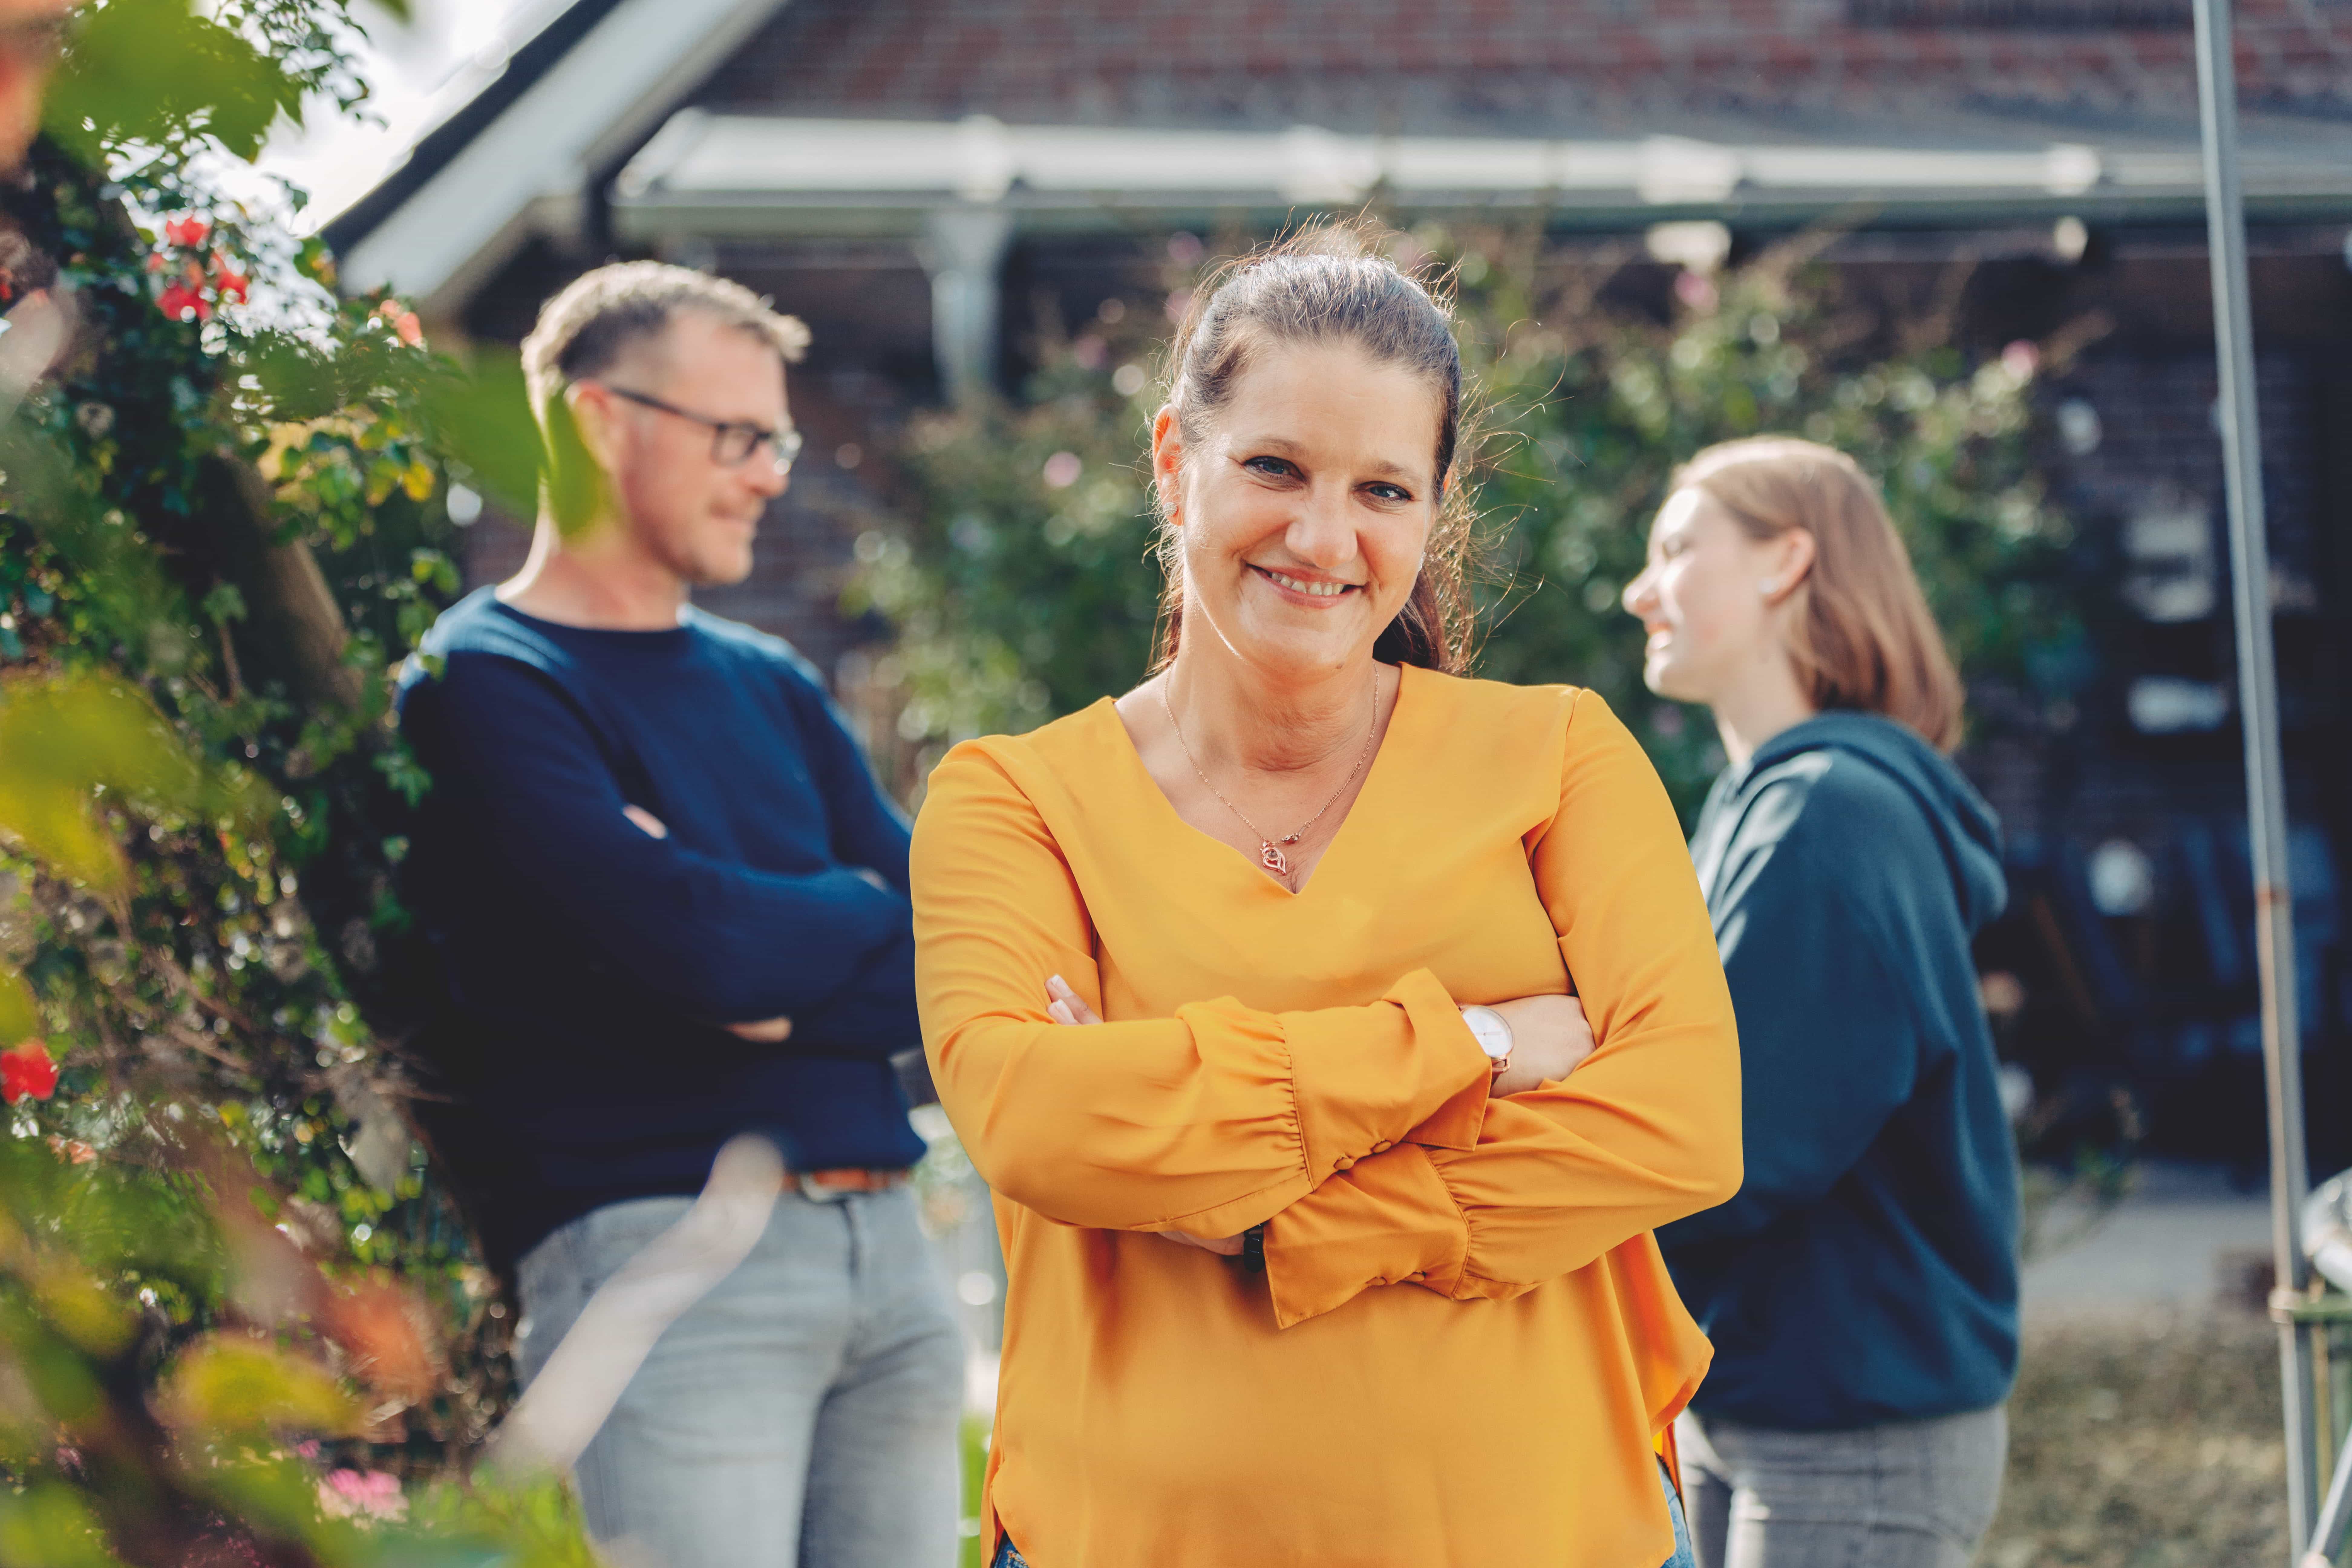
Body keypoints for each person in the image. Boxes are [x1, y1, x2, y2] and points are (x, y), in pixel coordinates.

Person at [910, 228, 1743, 1568]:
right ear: (1176, 462)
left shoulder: (1560, 755)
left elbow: (1682, 1127)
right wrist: (1470, 1046)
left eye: (1382, 491)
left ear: (1433, 510)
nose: (1322, 536)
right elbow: (1036, 1120)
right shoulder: (1013, 800)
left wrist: (1261, 1219)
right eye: (1274, 468)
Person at [396, 262, 962, 1568]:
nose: (771, 473)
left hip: (891, 1247)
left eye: (780, 440)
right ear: (596, 420)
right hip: (671, 1266)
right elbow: (703, 948)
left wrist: (772, 955)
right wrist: (815, 924)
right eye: (739, 437)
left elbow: (952, 943)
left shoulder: (772, 681)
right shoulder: (487, 682)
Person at [1622, 437, 2020, 1568]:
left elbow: (1728, 1141)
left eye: (1678, 548)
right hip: (1761, 1397)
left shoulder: (1830, 816)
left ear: (1786, 560)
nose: (1640, 589)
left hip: (1853, 1428)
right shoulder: (1763, 806)